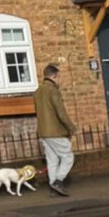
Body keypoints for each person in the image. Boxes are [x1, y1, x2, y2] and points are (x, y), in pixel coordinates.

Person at [34, 62, 76, 196]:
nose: (60, 80)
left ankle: (53, 188)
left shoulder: (37, 92)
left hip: (43, 131)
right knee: (68, 157)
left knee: (52, 160)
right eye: (59, 77)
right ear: (54, 76)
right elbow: (61, 113)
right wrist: (71, 128)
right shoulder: (53, 91)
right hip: (55, 131)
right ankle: (58, 181)